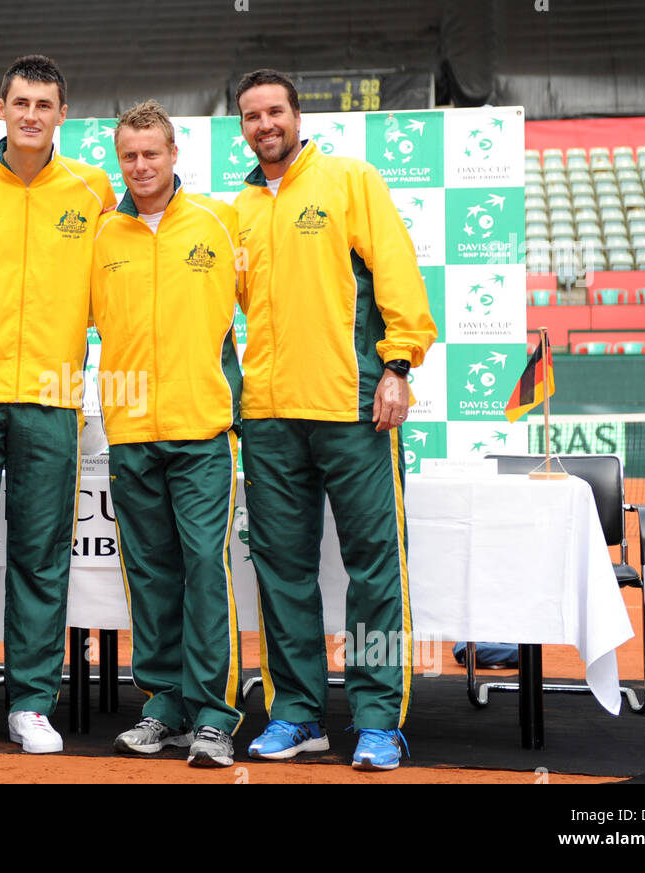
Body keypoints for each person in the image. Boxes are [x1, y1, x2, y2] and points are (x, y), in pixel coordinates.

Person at [233, 69, 437, 770]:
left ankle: (378, 718)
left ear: (297, 115)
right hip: (266, 417)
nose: (265, 124)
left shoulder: (351, 179)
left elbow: (400, 276)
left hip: (354, 409)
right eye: (252, 115)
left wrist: (399, 365)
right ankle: (297, 713)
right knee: (283, 572)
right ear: (242, 127)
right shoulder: (240, 209)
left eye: (275, 111)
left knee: (374, 569)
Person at [0, 55, 116, 758]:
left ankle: (31, 702)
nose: (32, 114)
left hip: (52, 396)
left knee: (41, 552)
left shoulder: (92, 189)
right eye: (21, 102)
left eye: (45, 104)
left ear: (63, 114)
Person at [91, 100, 245, 768]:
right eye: (129, 155)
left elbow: (264, 310)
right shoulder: (99, 238)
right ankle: (163, 708)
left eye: (152, 152)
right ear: (118, 160)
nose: (141, 165)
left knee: (204, 570)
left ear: (174, 152)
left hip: (201, 429)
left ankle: (214, 715)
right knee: (150, 573)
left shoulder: (219, 220)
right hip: (130, 431)